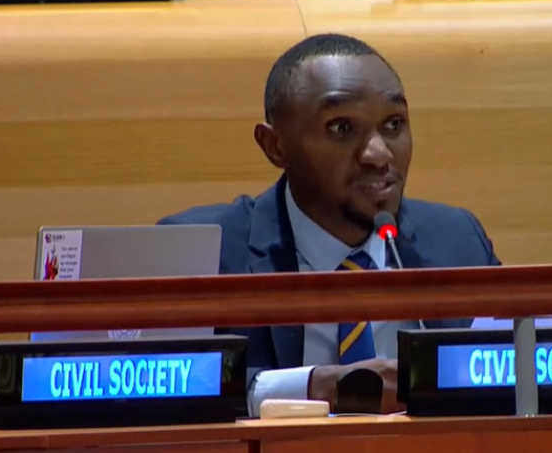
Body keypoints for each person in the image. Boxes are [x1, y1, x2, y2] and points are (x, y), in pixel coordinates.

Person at [159, 33, 501, 416]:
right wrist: (314, 386)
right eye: (341, 128)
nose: (379, 154)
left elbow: (512, 375)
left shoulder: (457, 241)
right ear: (275, 147)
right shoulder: (206, 252)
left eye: (393, 123)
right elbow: (157, 386)